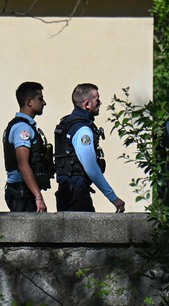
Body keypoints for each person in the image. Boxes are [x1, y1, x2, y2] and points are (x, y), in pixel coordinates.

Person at [53, 83, 125, 213]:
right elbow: (91, 167)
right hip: (77, 195)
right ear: (87, 104)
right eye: (97, 100)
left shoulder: (68, 123)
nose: (100, 103)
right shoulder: (83, 130)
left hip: (65, 193)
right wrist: (113, 197)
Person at [3, 82, 54, 212]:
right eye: (40, 99)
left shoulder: (26, 126)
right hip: (21, 193)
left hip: (23, 191)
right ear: (29, 102)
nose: (44, 103)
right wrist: (38, 197)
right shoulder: (22, 128)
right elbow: (23, 164)